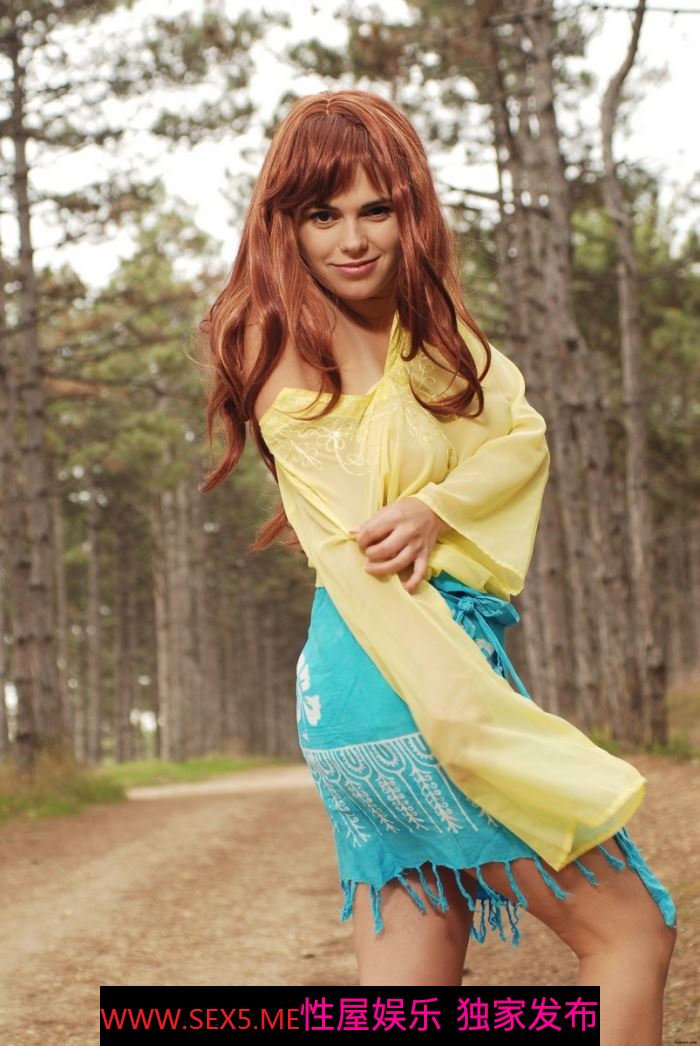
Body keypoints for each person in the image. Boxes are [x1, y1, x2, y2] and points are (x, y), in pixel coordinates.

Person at [197, 89, 677, 1041]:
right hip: (410, 680)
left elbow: (519, 435)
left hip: (351, 700)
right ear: (283, 224)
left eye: (376, 208)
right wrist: (476, 725)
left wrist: (435, 506)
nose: (352, 240)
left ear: (412, 209)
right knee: (632, 932)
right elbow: (363, 561)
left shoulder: (434, 340)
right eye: (321, 215)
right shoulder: (286, 340)